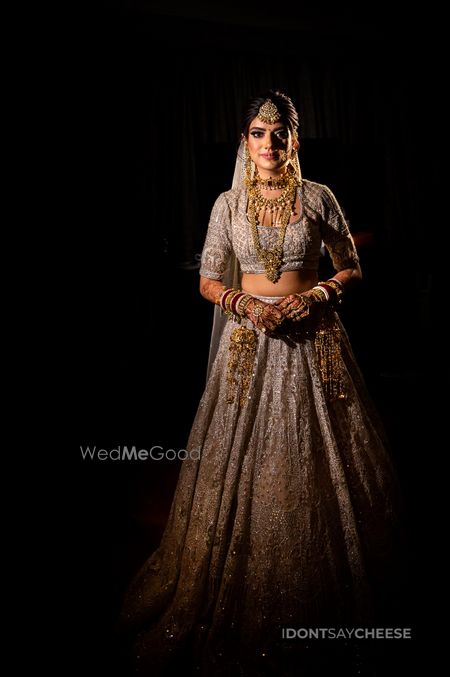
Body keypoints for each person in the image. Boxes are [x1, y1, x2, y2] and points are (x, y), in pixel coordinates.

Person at [118, 90, 404, 676]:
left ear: (293, 139)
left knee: (319, 463)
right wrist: (245, 305)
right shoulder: (228, 203)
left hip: (315, 346)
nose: (267, 144)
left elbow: (351, 265)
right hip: (248, 344)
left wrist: (316, 295)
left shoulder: (319, 198)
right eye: (256, 132)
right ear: (244, 140)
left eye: (278, 134)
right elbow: (205, 278)